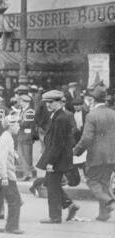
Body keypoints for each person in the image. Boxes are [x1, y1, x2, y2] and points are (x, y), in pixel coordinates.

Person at [73, 86, 115, 221]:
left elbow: (86, 138)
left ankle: (109, 200)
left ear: (92, 100)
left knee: (91, 180)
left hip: (96, 156)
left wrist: (76, 151)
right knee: (104, 183)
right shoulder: (113, 113)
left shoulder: (92, 115)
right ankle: (103, 214)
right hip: (112, 155)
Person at [37, 90, 79, 223]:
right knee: (50, 183)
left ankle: (55, 217)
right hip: (61, 157)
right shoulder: (61, 115)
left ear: (59, 102)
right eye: (47, 102)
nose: (48, 105)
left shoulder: (60, 118)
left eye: (51, 102)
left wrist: (50, 162)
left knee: (52, 186)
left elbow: (57, 143)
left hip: (57, 158)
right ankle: (69, 204)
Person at [0, 112, 23, 234]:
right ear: (10, 125)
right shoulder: (7, 138)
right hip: (4, 175)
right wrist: (5, 177)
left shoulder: (5, 136)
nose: (19, 126)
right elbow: (1, 160)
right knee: (15, 200)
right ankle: (12, 227)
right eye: (17, 124)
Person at [16, 94, 37, 181]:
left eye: (21, 101)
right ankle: (28, 172)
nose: (20, 103)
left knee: (26, 155)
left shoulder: (30, 111)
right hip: (21, 135)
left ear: (25, 102)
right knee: (21, 155)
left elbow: (25, 124)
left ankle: (27, 174)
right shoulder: (22, 110)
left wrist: (17, 121)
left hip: (27, 136)